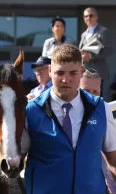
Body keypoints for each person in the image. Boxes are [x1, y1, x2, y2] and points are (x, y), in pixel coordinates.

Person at [22, 44, 116, 194]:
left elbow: (113, 160)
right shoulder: (30, 111)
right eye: (60, 73)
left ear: (82, 72)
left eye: (73, 73)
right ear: (50, 71)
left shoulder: (101, 108)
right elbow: (14, 161)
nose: (66, 80)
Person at [79, 68, 116, 194]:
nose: (91, 96)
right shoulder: (58, 109)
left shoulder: (103, 108)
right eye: (86, 91)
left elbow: (112, 156)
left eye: (95, 92)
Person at [79, 7, 113, 97]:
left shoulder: (103, 31)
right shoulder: (84, 34)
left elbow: (109, 50)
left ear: (96, 17)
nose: (88, 18)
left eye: (91, 16)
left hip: (98, 72)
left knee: (96, 98)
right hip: (85, 72)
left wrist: (91, 56)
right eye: (86, 16)